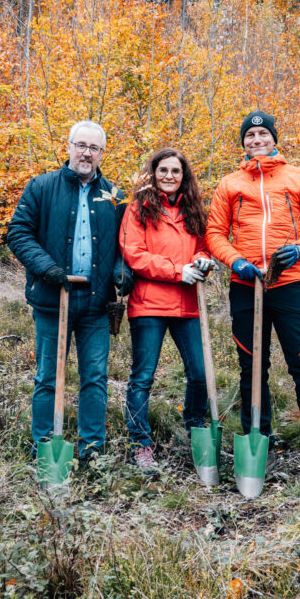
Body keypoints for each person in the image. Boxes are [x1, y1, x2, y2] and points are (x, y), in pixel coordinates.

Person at [205, 111, 300, 487]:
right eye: (250, 135)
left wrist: (299, 248)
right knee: (252, 369)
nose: (256, 139)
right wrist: (236, 261)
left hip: (290, 283)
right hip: (246, 286)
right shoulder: (230, 184)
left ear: (273, 138)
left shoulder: (298, 178)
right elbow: (214, 233)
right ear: (244, 143)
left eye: (263, 133)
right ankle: (258, 439)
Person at [7, 120, 133, 462]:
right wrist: (47, 268)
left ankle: (92, 450)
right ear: (69, 146)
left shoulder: (115, 195)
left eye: (94, 148)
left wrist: (123, 273)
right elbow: (18, 233)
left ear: (102, 153)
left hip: (96, 305)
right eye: (81, 145)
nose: (86, 153)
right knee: (48, 376)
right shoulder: (41, 187)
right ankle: (44, 447)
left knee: (95, 377)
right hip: (52, 301)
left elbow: (126, 245)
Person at [119, 148, 214, 470]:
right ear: (154, 172)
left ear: (183, 176)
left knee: (200, 374)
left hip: (186, 304)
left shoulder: (192, 209)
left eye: (176, 171)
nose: (169, 176)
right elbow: (134, 254)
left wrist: (203, 259)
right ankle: (140, 443)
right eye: (164, 170)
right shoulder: (139, 207)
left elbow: (202, 245)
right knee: (143, 377)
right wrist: (177, 271)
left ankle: (195, 426)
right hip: (149, 304)